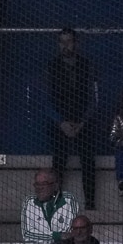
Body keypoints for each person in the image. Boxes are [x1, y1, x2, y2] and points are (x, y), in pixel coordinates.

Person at [47, 28, 100, 211]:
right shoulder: (51, 67)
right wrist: (61, 122)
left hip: (81, 121)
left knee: (88, 162)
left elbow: (93, 99)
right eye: (62, 42)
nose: (65, 45)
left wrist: (82, 122)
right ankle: (55, 202)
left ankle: (90, 205)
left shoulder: (87, 65)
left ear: (76, 43)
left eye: (69, 41)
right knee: (59, 162)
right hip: (60, 123)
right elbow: (46, 99)